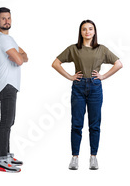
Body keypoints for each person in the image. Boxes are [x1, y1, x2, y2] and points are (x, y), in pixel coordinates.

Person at [51, 20, 123, 170]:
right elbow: (56, 63)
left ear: (94, 31)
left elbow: (118, 64)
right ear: (81, 32)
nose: (87, 32)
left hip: (95, 87)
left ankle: (93, 157)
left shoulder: (102, 49)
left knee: (94, 124)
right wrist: (71, 76)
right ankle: (74, 157)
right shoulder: (74, 49)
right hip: (78, 86)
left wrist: (103, 76)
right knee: (76, 123)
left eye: (90, 29)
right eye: (84, 29)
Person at [0, 7, 27, 173]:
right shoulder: (3, 39)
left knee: (10, 121)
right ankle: (2, 160)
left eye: (9, 18)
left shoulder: (9, 38)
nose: (6, 21)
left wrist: (19, 56)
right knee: (6, 122)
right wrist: (19, 56)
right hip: (6, 84)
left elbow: (25, 55)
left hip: (10, 84)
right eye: (3, 18)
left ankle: (6, 154)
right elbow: (20, 60)